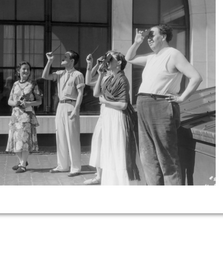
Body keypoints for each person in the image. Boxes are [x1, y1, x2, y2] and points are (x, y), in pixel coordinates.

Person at [126, 24, 203, 185]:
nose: (149, 39)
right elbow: (129, 58)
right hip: (143, 104)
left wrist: (182, 98)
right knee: (148, 157)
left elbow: (196, 77)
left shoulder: (173, 54)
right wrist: (137, 42)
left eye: (152, 35)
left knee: (166, 157)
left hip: (160, 105)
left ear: (164, 36)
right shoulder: (152, 57)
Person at [93, 51, 140, 185]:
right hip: (108, 117)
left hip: (117, 117)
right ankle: (111, 183)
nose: (107, 62)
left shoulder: (122, 79)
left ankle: (121, 182)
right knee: (109, 149)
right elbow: (96, 93)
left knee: (117, 148)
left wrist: (106, 102)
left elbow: (123, 104)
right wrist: (101, 74)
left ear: (118, 63)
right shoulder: (108, 78)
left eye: (110, 59)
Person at [42, 50, 85, 177]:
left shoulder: (78, 75)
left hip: (71, 105)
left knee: (72, 137)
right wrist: (49, 61)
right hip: (60, 106)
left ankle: (75, 167)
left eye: (65, 57)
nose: (62, 58)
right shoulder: (60, 74)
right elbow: (45, 76)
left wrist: (76, 110)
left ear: (72, 61)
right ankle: (63, 165)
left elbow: (81, 94)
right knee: (60, 136)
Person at [6, 61, 42, 173]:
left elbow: (39, 101)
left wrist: (29, 104)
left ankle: (23, 165)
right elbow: (9, 101)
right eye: (23, 69)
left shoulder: (33, 84)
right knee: (15, 140)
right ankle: (22, 161)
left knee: (24, 141)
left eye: (28, 69)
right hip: (15, 116)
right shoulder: (15, 84)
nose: (26, 71)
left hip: (26, 116)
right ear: (18, 71)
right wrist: (15, 103)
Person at [83, 54, 111, 185]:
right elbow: (88, 81)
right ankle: (99, 175)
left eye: (105, 61)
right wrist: (91, 64)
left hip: (112, 112)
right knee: (98, 141)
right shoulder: (103, 77)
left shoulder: (113, 77)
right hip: (103, 113)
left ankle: (106, 174)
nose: (103, 64)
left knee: (107, 143)